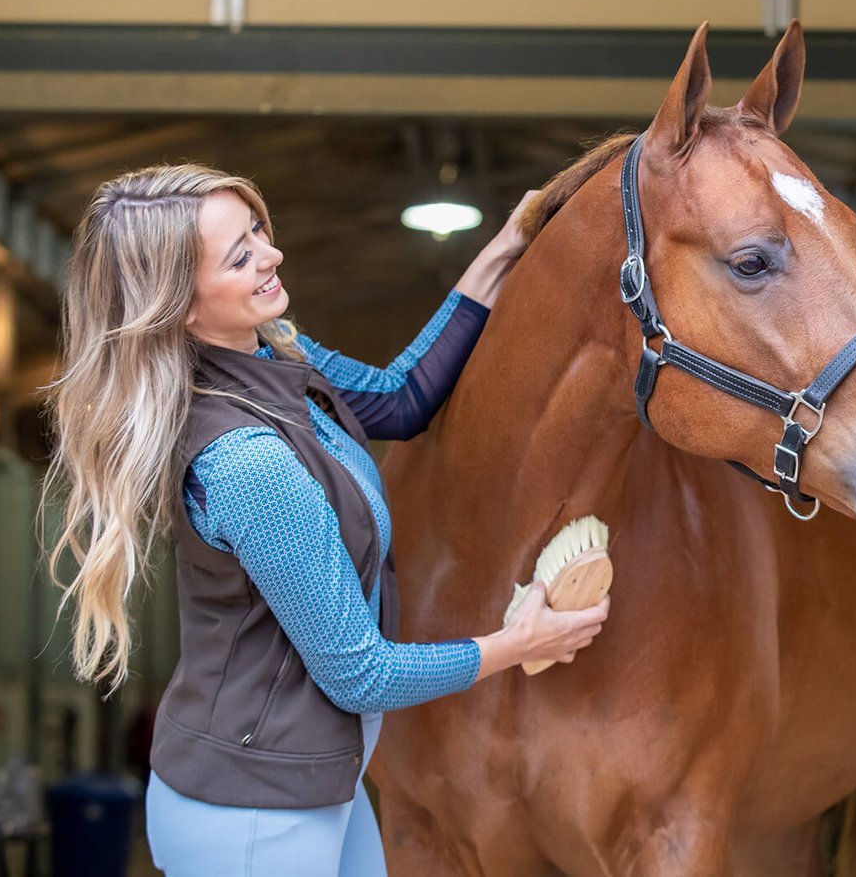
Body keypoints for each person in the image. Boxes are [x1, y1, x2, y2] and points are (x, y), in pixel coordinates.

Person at [42, 163, 608, 875]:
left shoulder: (280, 355)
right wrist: (515, 642)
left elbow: (401, 398)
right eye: (239, 256)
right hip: (250, 814)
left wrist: (509, 242)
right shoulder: (246, 461)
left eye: (257, 232)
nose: (270, 254)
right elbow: (359, 675)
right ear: (181, 306)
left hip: (315, 783)